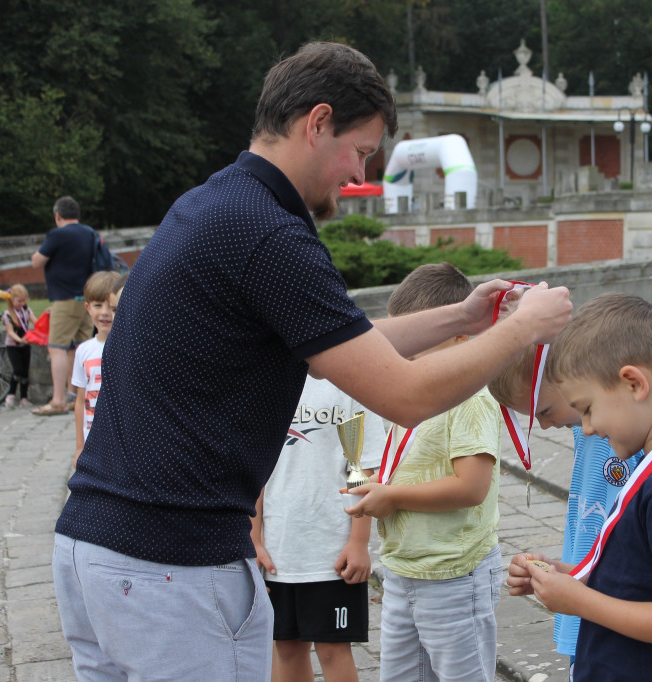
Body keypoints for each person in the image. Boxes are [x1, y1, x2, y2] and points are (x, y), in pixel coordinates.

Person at [51, 41, 571, 682]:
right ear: (317, 122)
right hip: (171, 569)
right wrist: (522, 329)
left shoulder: (211, 205)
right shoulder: (269, 235)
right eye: (359, 150)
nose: (356, 176)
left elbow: (338, 350)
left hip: (92, 551)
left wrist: (461, 319)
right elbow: (402, 395)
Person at [506, 293, 652, 682]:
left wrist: (580, 601)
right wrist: (562, 575)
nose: (587, 428)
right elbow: (634, 581)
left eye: (588, 408)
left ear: (633, 383)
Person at [344, 262, 503, 682]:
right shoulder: (417, 392)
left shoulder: (470, 398)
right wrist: (378, 487)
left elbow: (472, 487)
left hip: (454, 574)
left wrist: (393, 497)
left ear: (460, 335)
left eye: (416, 346)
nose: (402, 355)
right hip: (403, 570)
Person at [489, 347, 642, 678]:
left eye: (543, 411)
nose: (543, 426)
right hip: (583, 598)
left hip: (621, 616)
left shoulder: (624, 436)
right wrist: (559, 571)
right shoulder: (583, 429)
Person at [250, 377, 385, 682]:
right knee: (285, 646)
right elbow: (254, 470)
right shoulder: (267, 379)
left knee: (331, 648)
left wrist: (358, 541)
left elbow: (360, 468)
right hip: (278, 550)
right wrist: (254, 539)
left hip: (331, 551)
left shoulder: (350, 384)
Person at [31, 196, 96, 416]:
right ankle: (74, 395)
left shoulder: (58, 234)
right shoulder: (89, 232)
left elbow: (37, 261)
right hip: (85, 299)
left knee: (57, 347)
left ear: (58, 216)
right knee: (78, 349)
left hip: (65, 299)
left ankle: (58, 400)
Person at [70, 271, 124, 468]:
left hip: (121, 434)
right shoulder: (83, 351)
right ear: (88, 308)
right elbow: (79, 400)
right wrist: (79, 446)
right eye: (97, 305)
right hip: (93, 435)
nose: (104, 313)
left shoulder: (127, 345)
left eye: (111, 307)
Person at [1, 283, 38, 408]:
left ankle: (24, 397)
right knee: (17, 370)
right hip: (13, 346)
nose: (22, 303)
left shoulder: (26, 310)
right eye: (19, 301)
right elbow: (10, 331)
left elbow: (36, 322)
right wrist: (19, 339)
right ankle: (10, 395)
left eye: (24, 300)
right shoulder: (7, 314)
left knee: (25, 372)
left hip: (25, 345)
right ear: (11, 300)